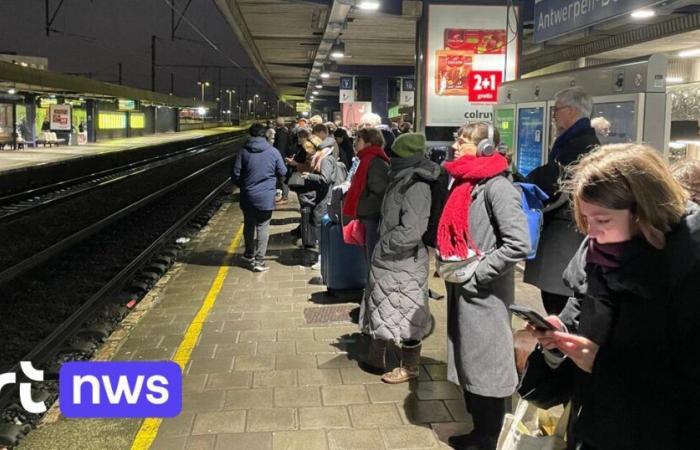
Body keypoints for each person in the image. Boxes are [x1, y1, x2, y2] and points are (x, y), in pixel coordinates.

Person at [527, 144, 699, 450]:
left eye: (602, 220)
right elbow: (579, 312)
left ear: (643, 212)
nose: (590, 233)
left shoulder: (688, 265)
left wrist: (602, 366)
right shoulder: (597, 255)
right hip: (592, 427)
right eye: (585, 219)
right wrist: (557, 340)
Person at [439, 123, 530, 450]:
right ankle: (481, 431)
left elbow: (519, 244)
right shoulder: (465, 181)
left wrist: (478, 273)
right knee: (471, 361)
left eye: (461, 140)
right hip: (465, 289)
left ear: (486, 147)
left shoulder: (498, 187)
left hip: (485, 293)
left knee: (488, 365)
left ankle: (490, 437)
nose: (455, 145)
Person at [360, 133, 440, 384]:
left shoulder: (417, 185)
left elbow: (412, 230)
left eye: (394, 154)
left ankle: (410, 367)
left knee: (407, 311)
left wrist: (385, 245)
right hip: (392, 260)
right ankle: (377, 357)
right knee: (383, 305)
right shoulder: (401, 178)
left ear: (403, 157)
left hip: (404, 260)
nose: (390, 158)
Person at [524, 87, 600, 315]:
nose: (554, 116)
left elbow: (554, 181)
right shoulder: (577, 140)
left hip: (565, 234)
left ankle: (558, 347)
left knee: (558, 300)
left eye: (556, 110)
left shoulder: (578, 144)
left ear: (572, 110)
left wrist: (528, 180)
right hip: (565, 232)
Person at [231, 123, 287, 272]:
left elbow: (236, 174)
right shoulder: (273, 152)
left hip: (247, 195)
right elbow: (283, 170)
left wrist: (244, 185)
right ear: (265, 135)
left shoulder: (243, 152)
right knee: (263, 227)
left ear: (250, 134)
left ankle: (249, 255)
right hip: (266, 196)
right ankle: (259, 261)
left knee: (249, 225)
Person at [342, 127, 390, 271]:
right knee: (368, 259)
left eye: (358, 139)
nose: (354, 143)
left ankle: (372, 292)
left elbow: (380, 194)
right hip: (366, 218)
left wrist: (359, 206)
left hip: (372, 219)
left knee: (372, 260)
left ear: (369, 142)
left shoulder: (375, 162)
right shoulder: (365, 159)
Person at [303, 126, 344, 269]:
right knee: (320, 223)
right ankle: (323, 256)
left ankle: (322, 258)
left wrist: (309, 176)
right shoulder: (328, 157)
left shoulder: (325, 160)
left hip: (326, 196)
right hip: (326, 195)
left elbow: (325, 179)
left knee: (320, 224)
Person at [273, 118, 292, 205]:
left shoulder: (280, 134)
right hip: (284, 157)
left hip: (281, 158)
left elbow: (280, 148)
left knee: (282, 178)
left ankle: (284, 197)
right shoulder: (286, 131)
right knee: (282, 177)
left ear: (277, 124)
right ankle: (284, 196)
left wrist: (278, 160)